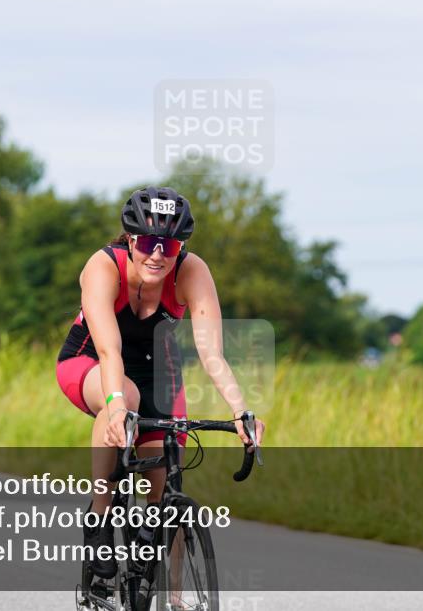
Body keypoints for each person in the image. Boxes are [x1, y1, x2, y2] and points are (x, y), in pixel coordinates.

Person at [55, 185, 266, 579]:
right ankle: (99, 518)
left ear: (180, 247)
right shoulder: (103, 266)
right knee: (125, 397)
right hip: (90, 361)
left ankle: (173, 594)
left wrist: (241, 411)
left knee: (167, 485)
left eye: (168, 247)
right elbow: (109, 352)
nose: (157, 255)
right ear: (131, 239)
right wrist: (117, 406)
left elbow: (212, 353)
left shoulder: (192, 271)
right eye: (149, 243)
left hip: (158, 371)